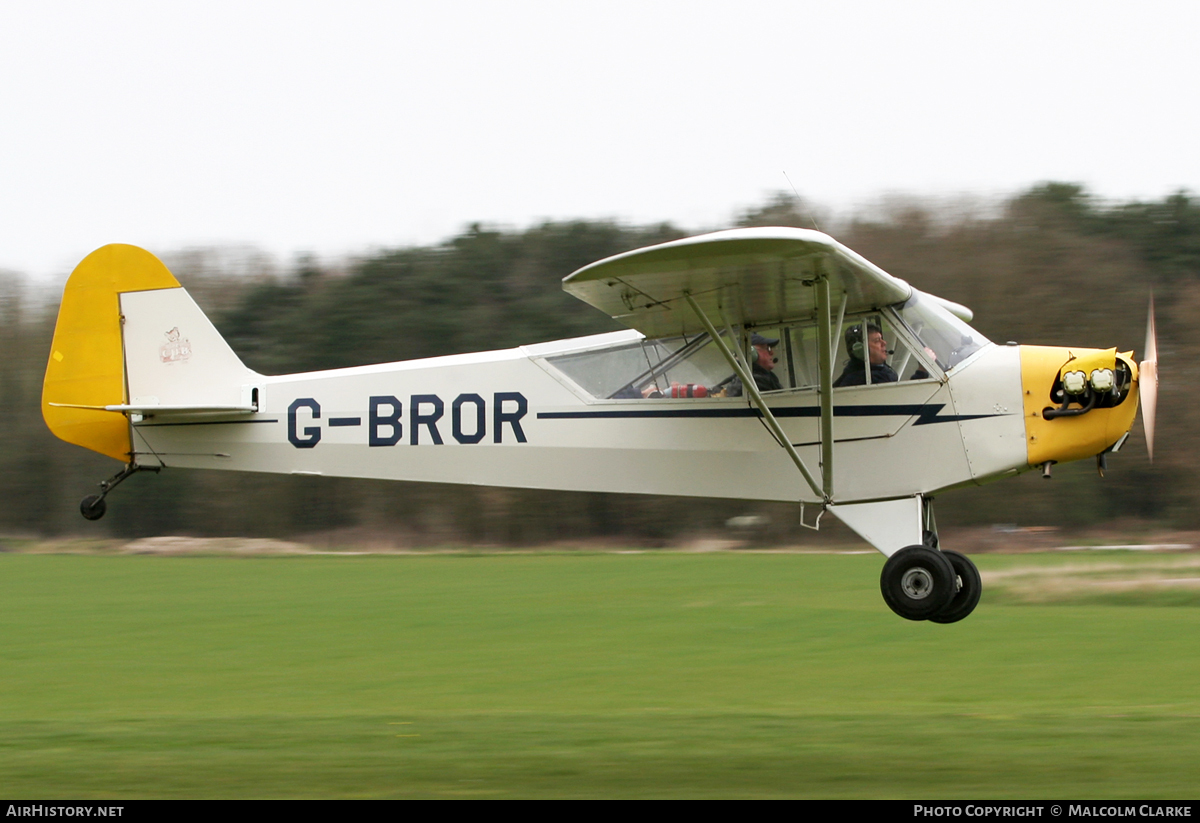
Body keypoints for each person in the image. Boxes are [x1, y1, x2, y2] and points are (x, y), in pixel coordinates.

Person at [833, 322, 898, 387]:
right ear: (860, 349)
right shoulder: (856, 381)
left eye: (881, 339)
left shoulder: (883, 372)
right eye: (877, 341)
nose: (884, 343)